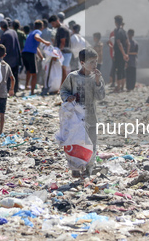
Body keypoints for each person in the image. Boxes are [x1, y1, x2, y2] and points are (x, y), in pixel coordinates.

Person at [60, 48, 105, 178]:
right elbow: (63, 90)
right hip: (76, 118)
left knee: (92, 143)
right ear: (82, 62)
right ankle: (75, 167)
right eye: (91, 62)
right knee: (75, 143)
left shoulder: (96, 78)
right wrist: (68, 97)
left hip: (91, 117)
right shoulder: (73, 77)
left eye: (96, 62)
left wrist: (97, 81)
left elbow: (101, 96)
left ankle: (89, 168)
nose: (94, 65)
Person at [22, 20, 51, 96]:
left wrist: (41, 57)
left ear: (34, 26)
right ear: (42, 27)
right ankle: (32, 92)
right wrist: (45, 42)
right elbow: (37, 37)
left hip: (24, 53)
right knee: (34, 73)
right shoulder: (38, 32)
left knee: (28, 71)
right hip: (31, 54)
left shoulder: (31, 33)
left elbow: (36, 48)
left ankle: (26, 86)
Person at [0, 20, 22, 95]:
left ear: (2, 27)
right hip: (16, 56)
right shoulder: (13, 32)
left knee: (8, 75)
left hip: (8, 58)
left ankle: (9, 90)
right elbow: (17, 44)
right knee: (15, 74)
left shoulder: (4, 35)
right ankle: (15, 89)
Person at [49, 14, 72, 84]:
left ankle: (64, 88)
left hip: (65, 52)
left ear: (57, 21)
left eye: (53, 23)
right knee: (63, 70)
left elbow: (63, 43)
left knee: (63, 70)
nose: (52, 25)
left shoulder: (62, 29)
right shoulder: (60, 29)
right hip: (63, 52)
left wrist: (57, 55)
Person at [112, 15, 128, 92]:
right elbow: (128, 43)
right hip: (124, 53)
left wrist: (123, 54)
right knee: (123, 69)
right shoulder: (124, 31)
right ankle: (122, 86)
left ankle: (118, 87)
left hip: (119, 53)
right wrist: (126, 54)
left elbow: (119, 43)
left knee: (118, 70)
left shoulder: (117, 31)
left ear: (116, 22)